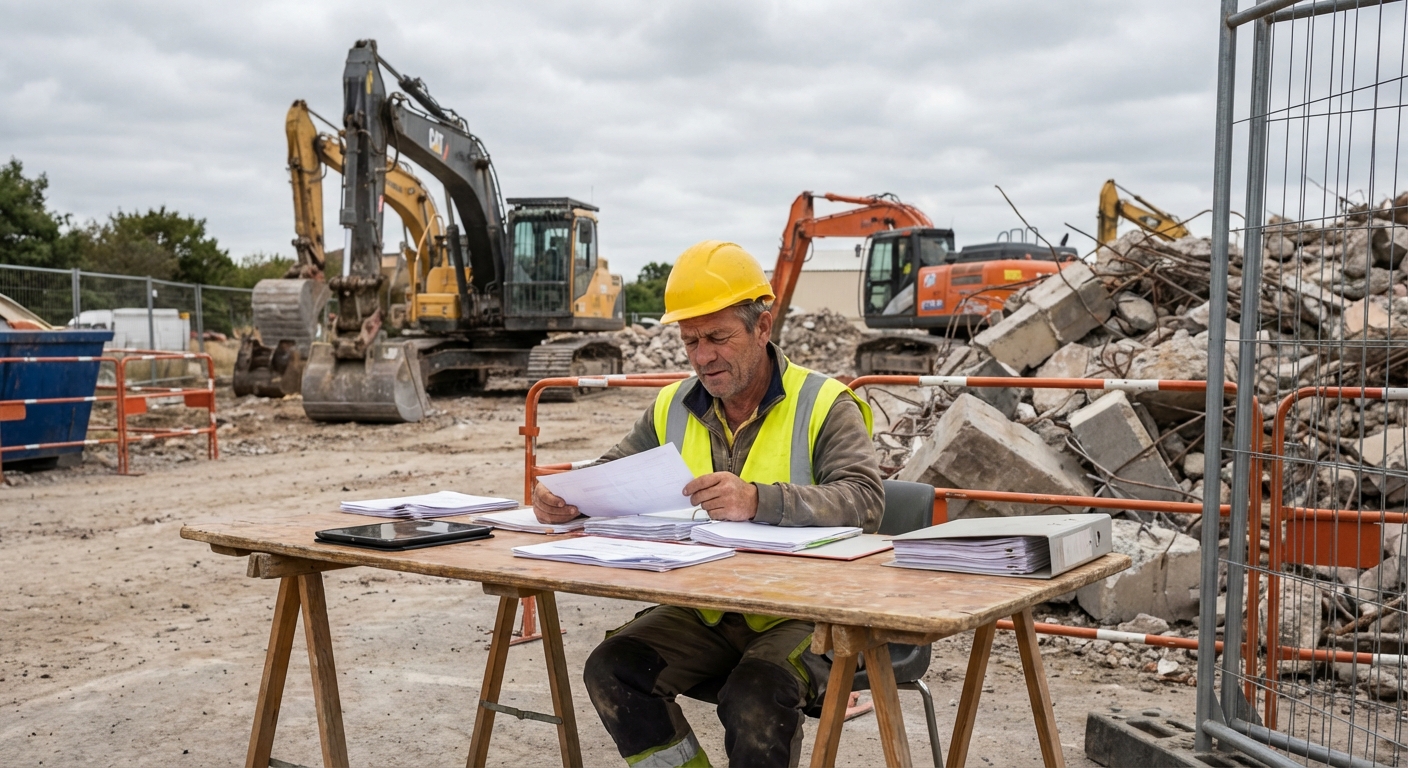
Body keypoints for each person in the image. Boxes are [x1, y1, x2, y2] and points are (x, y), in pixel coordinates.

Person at [532, 240, 885, 767]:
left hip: (806, 612)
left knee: (755, 694)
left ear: (763, 328)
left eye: (718, 337)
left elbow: (865, 500)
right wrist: (568, 497)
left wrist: (759, 500)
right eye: (690, 340)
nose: (702, 356)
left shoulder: (823, 403)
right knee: (615, 669)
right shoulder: (672, 405)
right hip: (707, 609)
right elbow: (612, 473)